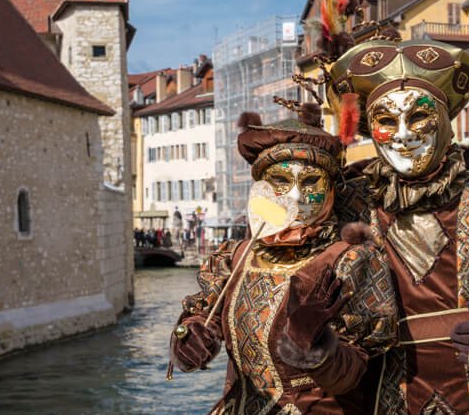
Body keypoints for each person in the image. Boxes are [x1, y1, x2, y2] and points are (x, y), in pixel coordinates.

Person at [328, 38, 469, 415]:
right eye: (387, 122)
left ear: (444, 120)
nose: (404, 136)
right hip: (386, 394)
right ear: (372, 129)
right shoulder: (352, 203)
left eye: (418, 117)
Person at [168, 110, 399, 414]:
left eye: (311, 182)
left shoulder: (352, 261)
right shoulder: (235, 258)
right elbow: (200, 318)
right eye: (280, 181)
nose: (296, 196)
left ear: (330, 188)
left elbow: (355, 374)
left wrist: (316, 346)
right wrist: (190, 338)